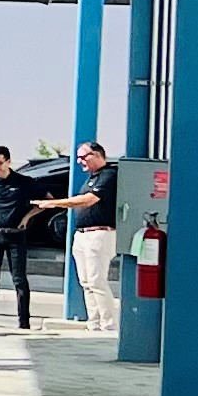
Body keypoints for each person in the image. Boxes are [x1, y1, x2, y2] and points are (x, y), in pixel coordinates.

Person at [0, 147, 63, 329]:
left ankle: (24, 321)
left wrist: (27, 217)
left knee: (19, 279)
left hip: (15, 235)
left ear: (8, 161)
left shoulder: (24, 182)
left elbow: (48, 201)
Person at [69, 140, 121, 330]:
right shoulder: (91, 177)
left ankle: (109, 323)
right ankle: (95, 321)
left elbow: (90, 200)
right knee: (86, 282)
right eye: (78, 158)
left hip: (100, 233)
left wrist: (55, 203)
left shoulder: (109, 175)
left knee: (96, 280)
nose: (80, 162)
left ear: (98, 155)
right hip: (82, 235)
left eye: (83, 157)